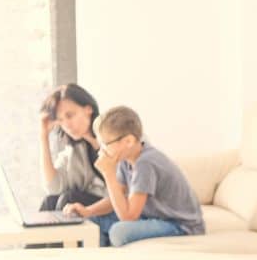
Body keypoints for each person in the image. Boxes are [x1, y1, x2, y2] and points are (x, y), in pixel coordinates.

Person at [62, 105, 205, 247]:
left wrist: (108, 173)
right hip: (153, 217)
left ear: (128, 141)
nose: (101, 151)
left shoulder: (145, 163)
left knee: (118, 232)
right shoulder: (127, 160)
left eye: (105, 144)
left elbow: (128, 217)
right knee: (92, 221)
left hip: (180, 225)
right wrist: (88, 211)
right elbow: (116, 199)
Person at [38, 83, 106, 211]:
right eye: (61, 120)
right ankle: (35, 231)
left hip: (116, 206)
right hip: (93, 206)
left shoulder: (116, 136)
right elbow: (54, 188)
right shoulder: (75, 151)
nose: (66, 124)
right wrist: (44, 137)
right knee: (50, 201)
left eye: (70, 116)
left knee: (69, 199)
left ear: (88, 109)